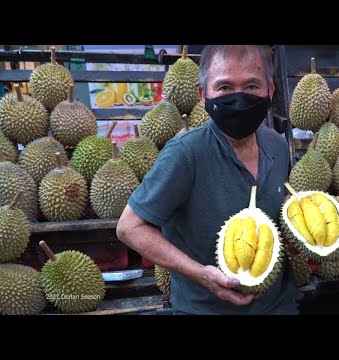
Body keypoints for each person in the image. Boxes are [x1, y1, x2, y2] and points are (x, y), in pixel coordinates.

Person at [116, 45, 298, 315]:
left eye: (251, 86)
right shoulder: (184, 154)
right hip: (204, 309)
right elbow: (129, 227)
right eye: (224, 88)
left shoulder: (277, 145)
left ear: (270, 91)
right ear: (203, 95)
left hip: (278, 306)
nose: (239, 98)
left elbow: (274, 196)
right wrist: (200, 273)